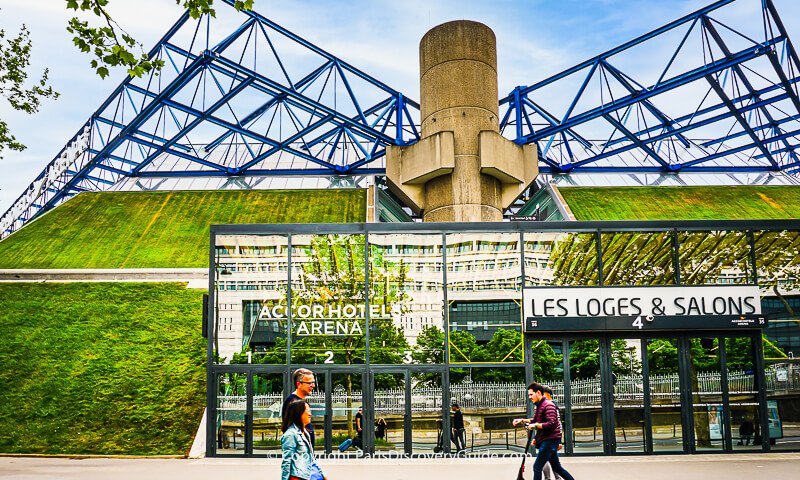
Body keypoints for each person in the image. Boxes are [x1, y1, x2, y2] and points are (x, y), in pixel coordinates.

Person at [513, 382, 575, 480]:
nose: (529, 397)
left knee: (537, 467)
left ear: (538, 393)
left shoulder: (548, 405)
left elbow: (552, 423)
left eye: (531, 394)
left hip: (549, 441)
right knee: (557, 468)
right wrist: (522, 420)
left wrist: (535, 425)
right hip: (548, 440)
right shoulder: (540, 405)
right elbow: (536, 420)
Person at [281, 400, 326, 480]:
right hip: (298, 477)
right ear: (299, 413)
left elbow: (311, 457)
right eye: (307, 411)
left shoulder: (305, 432)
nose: (310, 414)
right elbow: (287, 462)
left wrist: (321, 473)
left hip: (309, 475)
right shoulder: (291, 434)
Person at [282, 368, 316, 447]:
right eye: (310, 383)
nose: (313, 386)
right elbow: (288, 430)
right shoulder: (292, 402)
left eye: (313, 382)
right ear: (298, 384)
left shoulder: (299, 400)